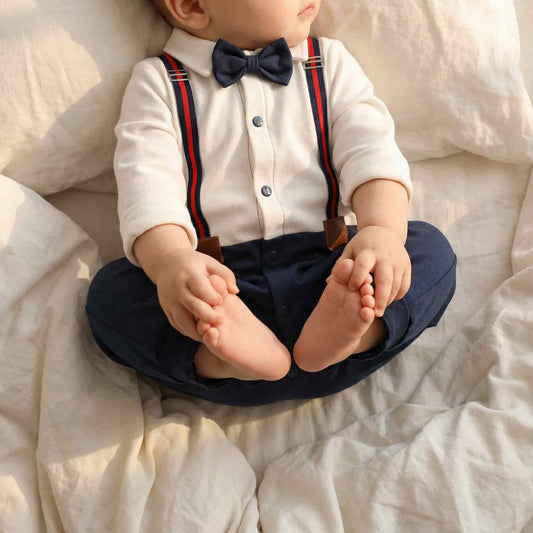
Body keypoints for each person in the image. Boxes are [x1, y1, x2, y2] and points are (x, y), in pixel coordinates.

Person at [85, 0, 457, 406]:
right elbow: (147, 183)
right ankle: (218, 357)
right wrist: (172, 263)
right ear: (191, 6)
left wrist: (382, 233)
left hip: (332, 273)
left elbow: (371, 152)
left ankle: (358, 333)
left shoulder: (329, 62)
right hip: (222, 289)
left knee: (430, 251)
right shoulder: (157, 82)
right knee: (109, 297)